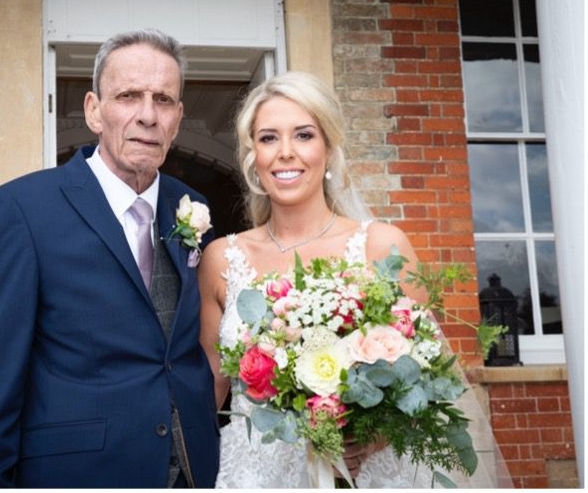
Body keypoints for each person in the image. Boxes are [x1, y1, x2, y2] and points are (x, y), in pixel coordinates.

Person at [198, 71, 510, 488]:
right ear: (253, 155)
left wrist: (369, 435)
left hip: (368, 475)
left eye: (304, 135)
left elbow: (433, 386)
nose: (285, 153)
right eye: (269, 138)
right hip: (257, 476)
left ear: (328, 149)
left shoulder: (381, 247)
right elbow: (204, 395)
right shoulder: (221, 258)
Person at [0, 29, 220, 488]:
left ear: (177, 118)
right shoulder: (26, 208)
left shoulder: (193, 207)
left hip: (193, 473)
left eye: (163, 100)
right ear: (94, 110)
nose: (147, 115)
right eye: (128, 96)